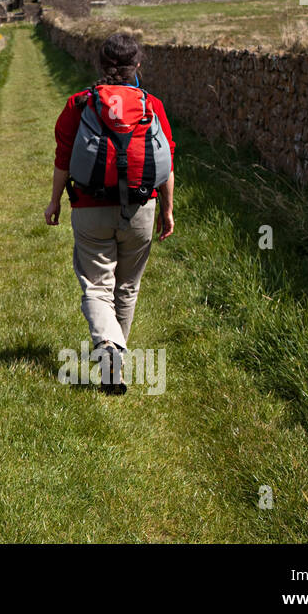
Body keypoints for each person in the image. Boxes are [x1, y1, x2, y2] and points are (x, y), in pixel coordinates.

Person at [44, 33, 175, 395]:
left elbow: (63, 158)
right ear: (138, 66)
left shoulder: (80, 103)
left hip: (90, 208)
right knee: (127, 287)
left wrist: (55, 201)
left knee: (97, 286)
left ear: (101, 66)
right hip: (140, 209)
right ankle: (114, 362)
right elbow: (167, 160)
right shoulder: (152, 105)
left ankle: (109, 351)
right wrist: (167, 210)